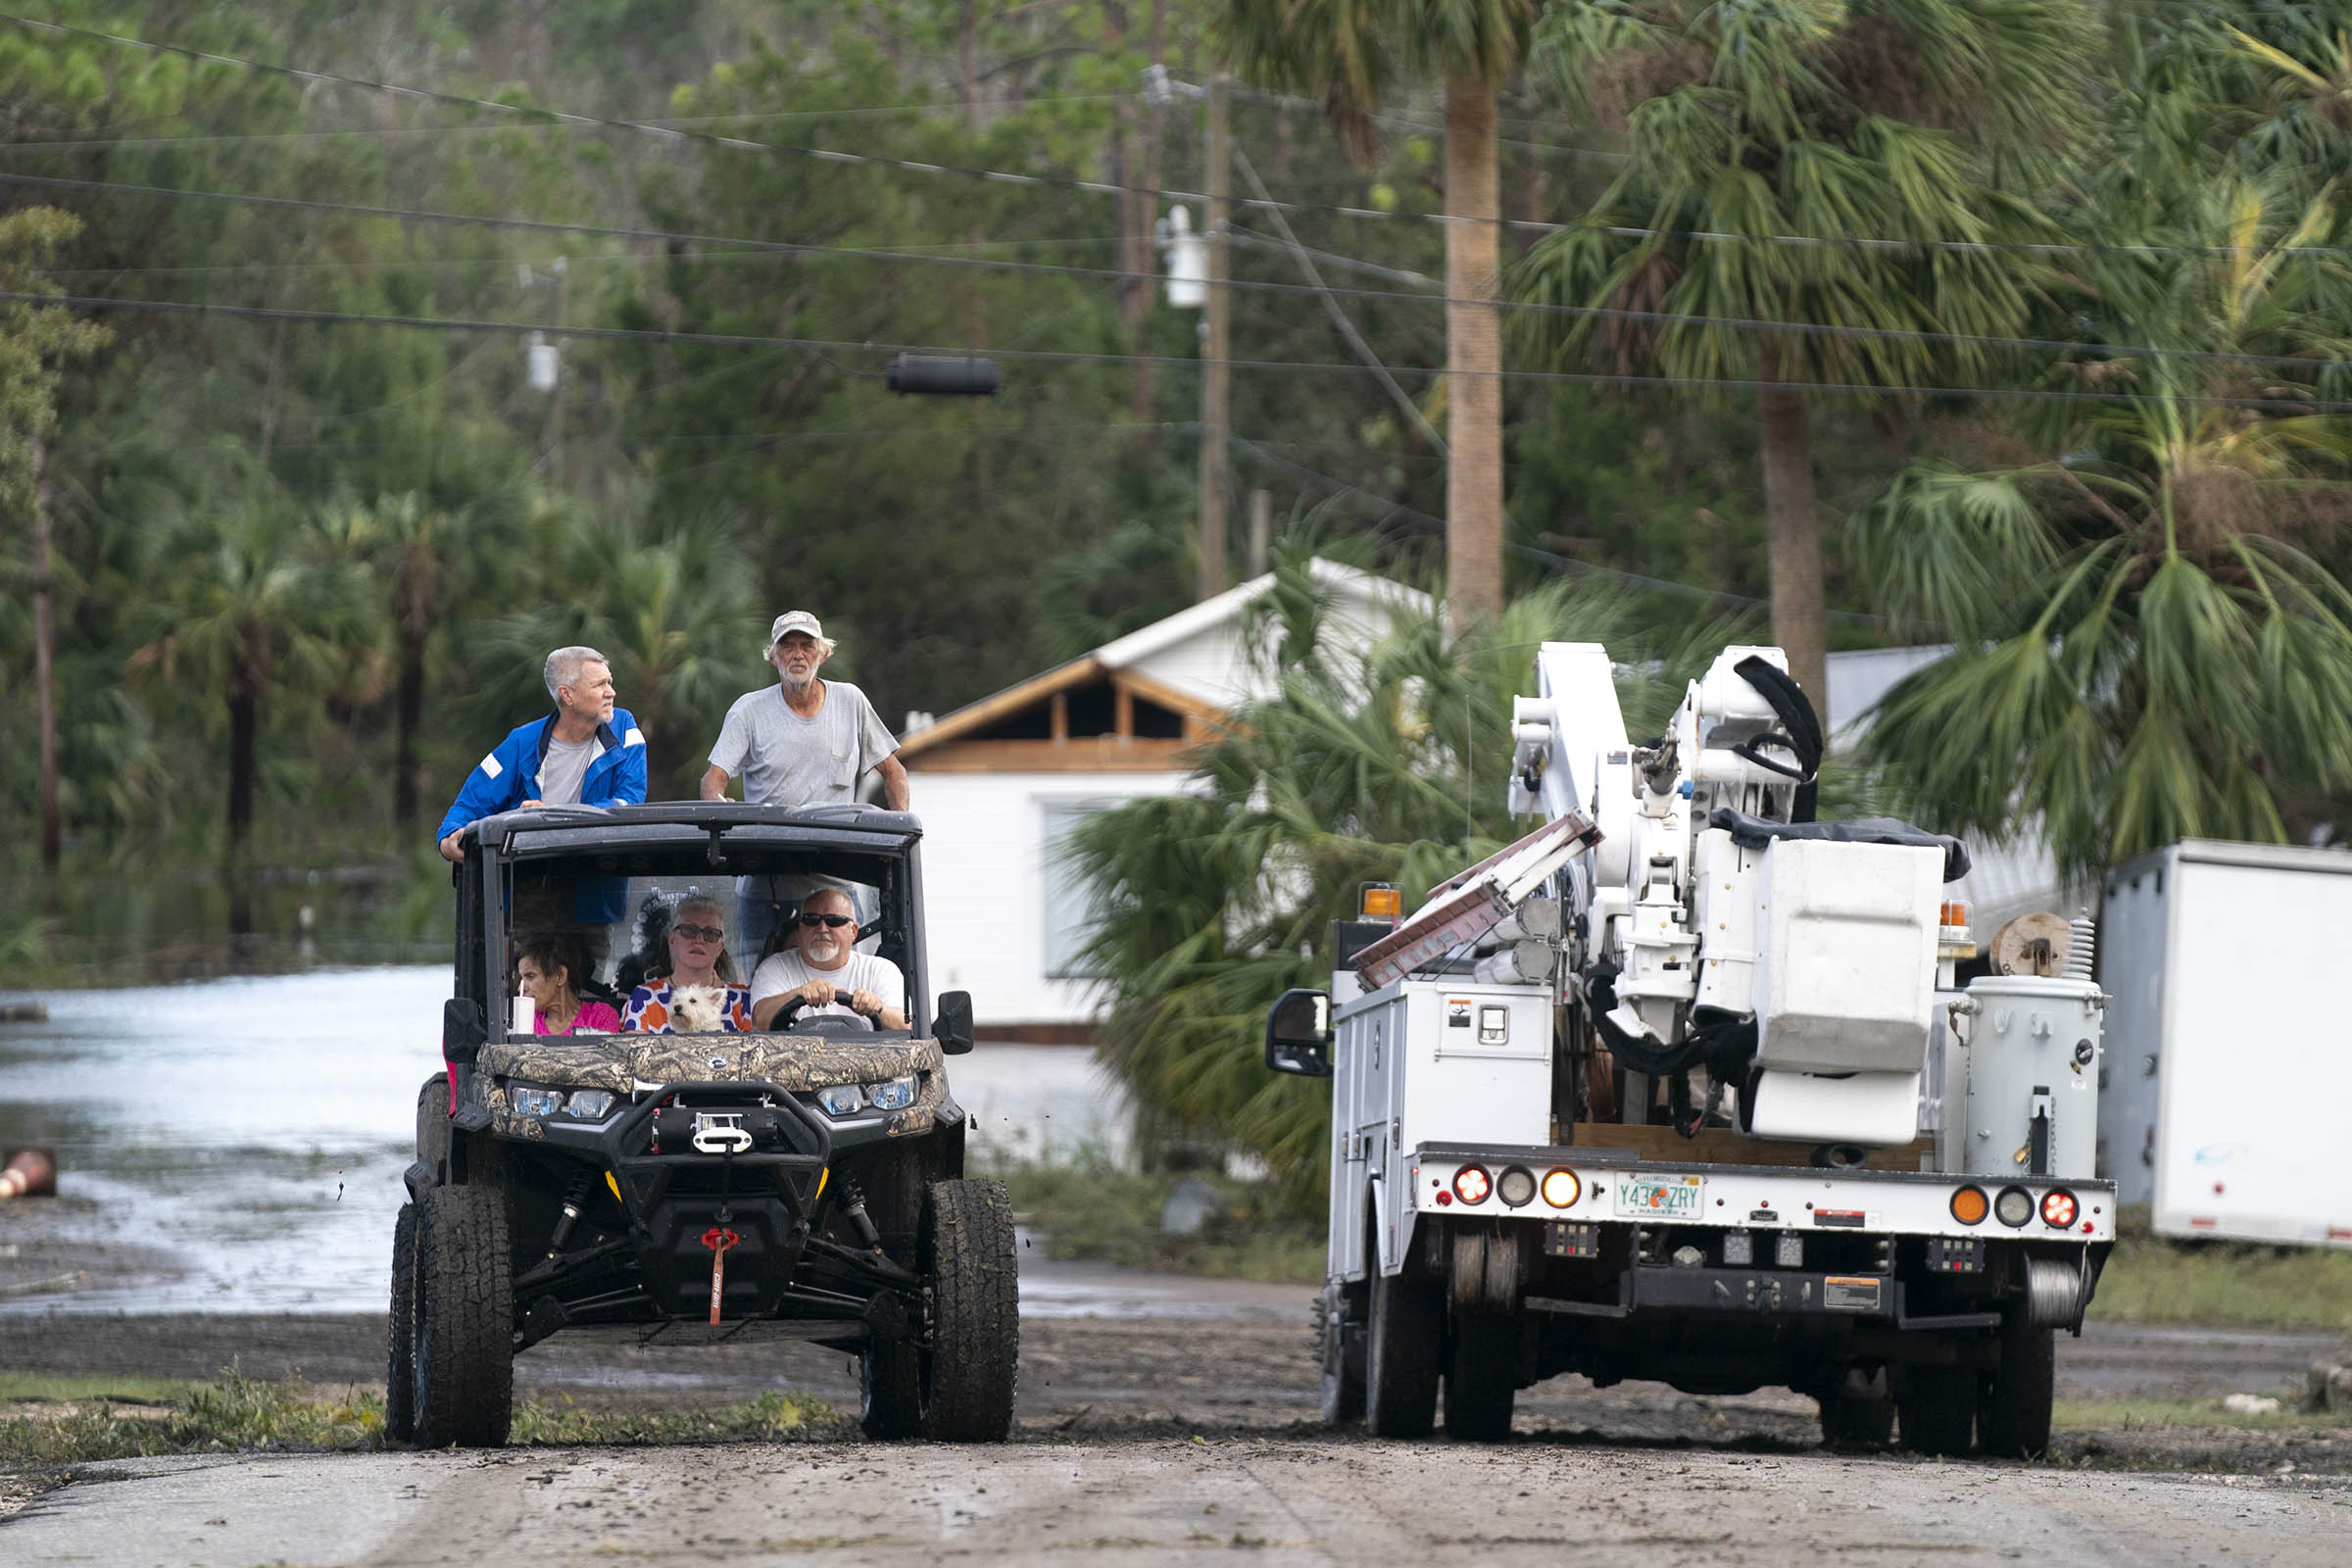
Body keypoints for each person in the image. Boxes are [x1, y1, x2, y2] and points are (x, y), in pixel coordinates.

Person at [701, 612, 907, 955]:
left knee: (840, 986)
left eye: (806, 646)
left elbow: (895, 773)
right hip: (763, 885)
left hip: (835, 885)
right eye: (788, 646)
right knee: (760, 993)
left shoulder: (851, 701)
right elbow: (712, 782)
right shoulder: (748, 710)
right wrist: (719, 809)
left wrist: (898, 831)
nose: (797, 654)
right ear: (773, 656)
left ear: (823, 653)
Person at [438, 646, 647, 861]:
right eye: (599, 685)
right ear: (567, 695)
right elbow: (469, 804)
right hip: (530, 878)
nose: (611, 692)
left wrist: (551, 815)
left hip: (598, 878)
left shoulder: (624, 728)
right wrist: (448, 838)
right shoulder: (522, 742)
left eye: (609, 682)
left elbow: (629, 802)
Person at [749, 888, 908, 1031]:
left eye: (834, 921)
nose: (822, 928)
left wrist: (878, 1009)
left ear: (853, 931)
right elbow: (759, 1022)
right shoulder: (774, 967)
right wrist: (796, 995)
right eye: (811, 920)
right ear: (800, 928)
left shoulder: (881, 970)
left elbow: (907, 1026)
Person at [620, 894, 753, 1034]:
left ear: (720, 947)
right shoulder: (644, 997)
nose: (699, 939)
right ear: (672, 940)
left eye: (711, 933)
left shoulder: (742, 999)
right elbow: (635, 1053)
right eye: (689, 930)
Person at [514, 932, 622, 1036]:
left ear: (561, 975)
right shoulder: (525, 1023)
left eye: (530, 976)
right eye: (521, 978)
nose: (521, 988)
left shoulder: (600, 1017)